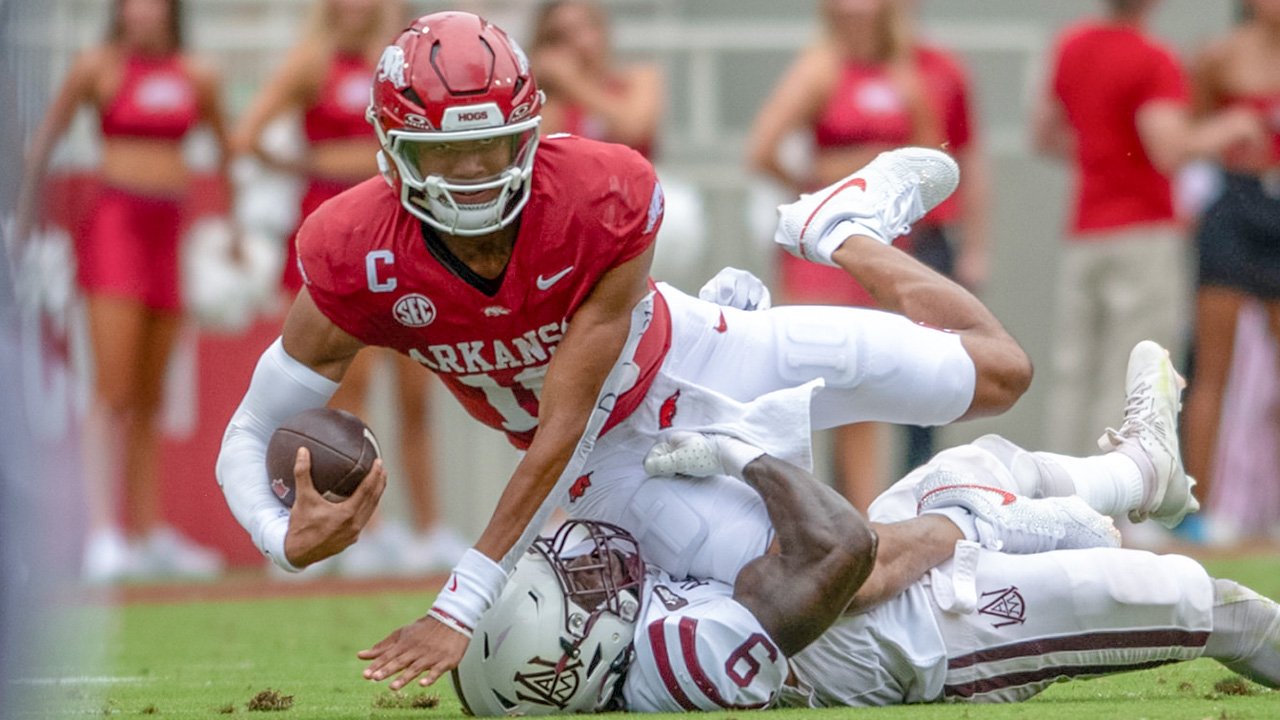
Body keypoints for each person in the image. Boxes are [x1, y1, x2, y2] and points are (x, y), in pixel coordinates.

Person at [215, 10, 1035, 690]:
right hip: (618, 459)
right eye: (442, 153)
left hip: (701, 349)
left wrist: (458, 605)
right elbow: (249, 434)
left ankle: (840, 231)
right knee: (828, 571)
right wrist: (276, 537)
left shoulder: (597, 195)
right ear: (392, 151)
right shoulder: (359, 251)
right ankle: (985, 516)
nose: (468, 174)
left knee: (1000, 373)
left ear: (529, 135)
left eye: (491, 147)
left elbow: (562, 416)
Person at [453, 342, 1277, 713]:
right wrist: (741, 455)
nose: (585, 565)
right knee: (1193, 599)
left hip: (877, 567)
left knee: (987, 462)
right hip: (933, 634)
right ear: (577, 667)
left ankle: (1141, 472)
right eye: (580, 593)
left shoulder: (622, 642)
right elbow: (844, 559)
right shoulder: (680, 662)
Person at [232, 0, 466, 576]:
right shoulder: (311, 65)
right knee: (350, 391)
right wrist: (311, 164)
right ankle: (371, 527)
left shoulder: (400, 63)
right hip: (340, 234)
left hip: (403, 231)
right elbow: (248, 135)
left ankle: (429, 528)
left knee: (418, 394)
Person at [16, 0, 231, 582]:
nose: (142, 10)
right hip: (115, 231)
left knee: (150, 396)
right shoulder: (97, 67)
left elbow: (226, 148)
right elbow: (45, 143)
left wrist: (233, 234)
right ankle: (101, 533)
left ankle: (147, 531)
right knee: (109, 394)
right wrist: (24, 224)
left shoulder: (197, 74)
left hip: (170, 237)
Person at [1032, 0, 1266, 458]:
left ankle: (1065, 489)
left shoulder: (1070, 45)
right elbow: (1168, 148)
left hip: (1086, 227)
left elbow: (1046, 134)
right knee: (1134, 367)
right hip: (1143, 229)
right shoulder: (1154, 58)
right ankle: (1112, 492)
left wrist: (1103, 159)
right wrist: (1230, 128)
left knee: (1073, 367)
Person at [746, 0, 942, 512]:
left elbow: (928, 152)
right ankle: (793, 519)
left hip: (880, 254)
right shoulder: (821, 68)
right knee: (807, 388)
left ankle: (863, 521)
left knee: (867, 389)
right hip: (825, 259)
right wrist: (820, 190)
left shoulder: (903, 73)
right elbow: (763, 146)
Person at [1180, 0, 1280, 533]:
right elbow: (1189, 137)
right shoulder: (1219, 58)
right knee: (1212, 368)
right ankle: (1202, 511)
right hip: (1236, 205)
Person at [898, 0, 993, 472]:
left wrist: (976, 246)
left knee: (926, 370)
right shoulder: (832, 69)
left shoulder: (941, 70)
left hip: (928, 237)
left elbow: (967, 157)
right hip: (864, 239)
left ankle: (916, 480)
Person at [529, 0, 663, 159]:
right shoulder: (552, 105)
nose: (575, 41)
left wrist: (570, 82)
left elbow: (633, 128)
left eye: (580, 29)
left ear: (601, 29)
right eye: (560, 35)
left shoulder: (638, 78)